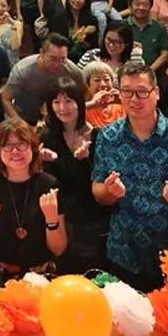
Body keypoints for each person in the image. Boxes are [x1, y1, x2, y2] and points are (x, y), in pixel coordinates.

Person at [92, 62, 168, 291]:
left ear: (156, 93)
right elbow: (98, 192)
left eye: (141, 92)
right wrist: (110, 192)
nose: (134, 99)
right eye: (126, 92)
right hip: (123, 255)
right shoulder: (108, 137)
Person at [0, 119, 67, 281]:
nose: (15, 151)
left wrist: (51, 218)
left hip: (41, 277)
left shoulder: (49, 184)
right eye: (7, 146)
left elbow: (59, 249)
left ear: (32, 148)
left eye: (22, 144)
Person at [40, 79, 109, 271]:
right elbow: (47, 185)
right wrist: (44, 162)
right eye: (56, 102)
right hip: (61, 219)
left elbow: (102, 183)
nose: (62, 107)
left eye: (69, 101)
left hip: (94, 220)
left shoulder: (98, 136)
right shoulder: (46, 137)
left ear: (80, 102)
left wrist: (87, 160)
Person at [1, 34, 84, 125]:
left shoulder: (71, 70)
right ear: (41, 53)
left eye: (62, 59)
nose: (57, 64)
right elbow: (6, 99)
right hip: (24, 118)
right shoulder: (22, 71)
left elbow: (86, 93)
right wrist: (21, 125)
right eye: (53, 59)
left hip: (58, 119)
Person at [83, 62, 126, 128]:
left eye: (106, 80)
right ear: (88, 85)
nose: (103, 84)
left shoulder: (123, 105)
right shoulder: (85, 110)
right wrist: (92, 103)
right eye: (97, 80)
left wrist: (123, 101)